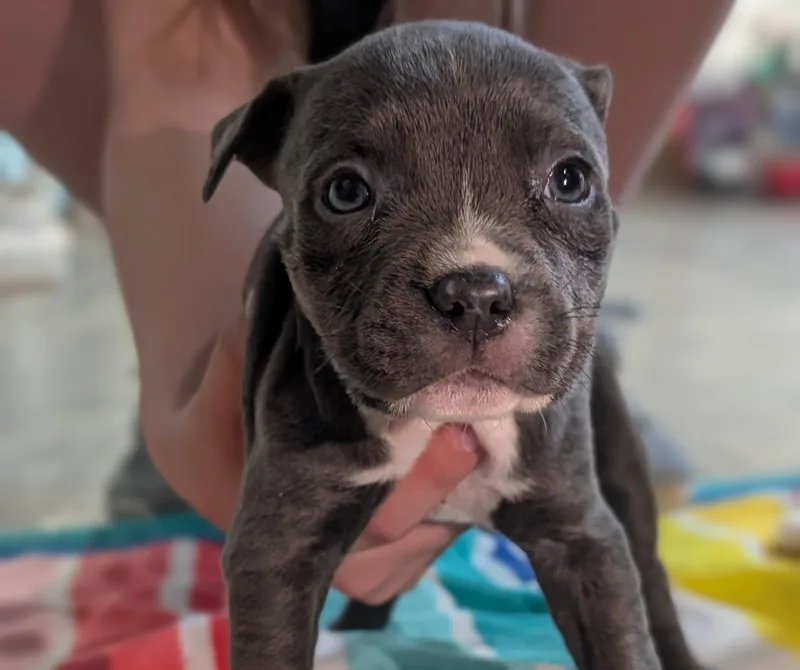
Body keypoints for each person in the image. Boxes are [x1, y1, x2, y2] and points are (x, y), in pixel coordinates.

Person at [1, 0, 733, 604]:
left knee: (526, 173)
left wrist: (560, 300)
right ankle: (230, 361)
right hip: (216, 37)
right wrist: (199, 376)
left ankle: (568, 364)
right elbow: (183, 55)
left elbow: (578, 124)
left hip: (542, 35)